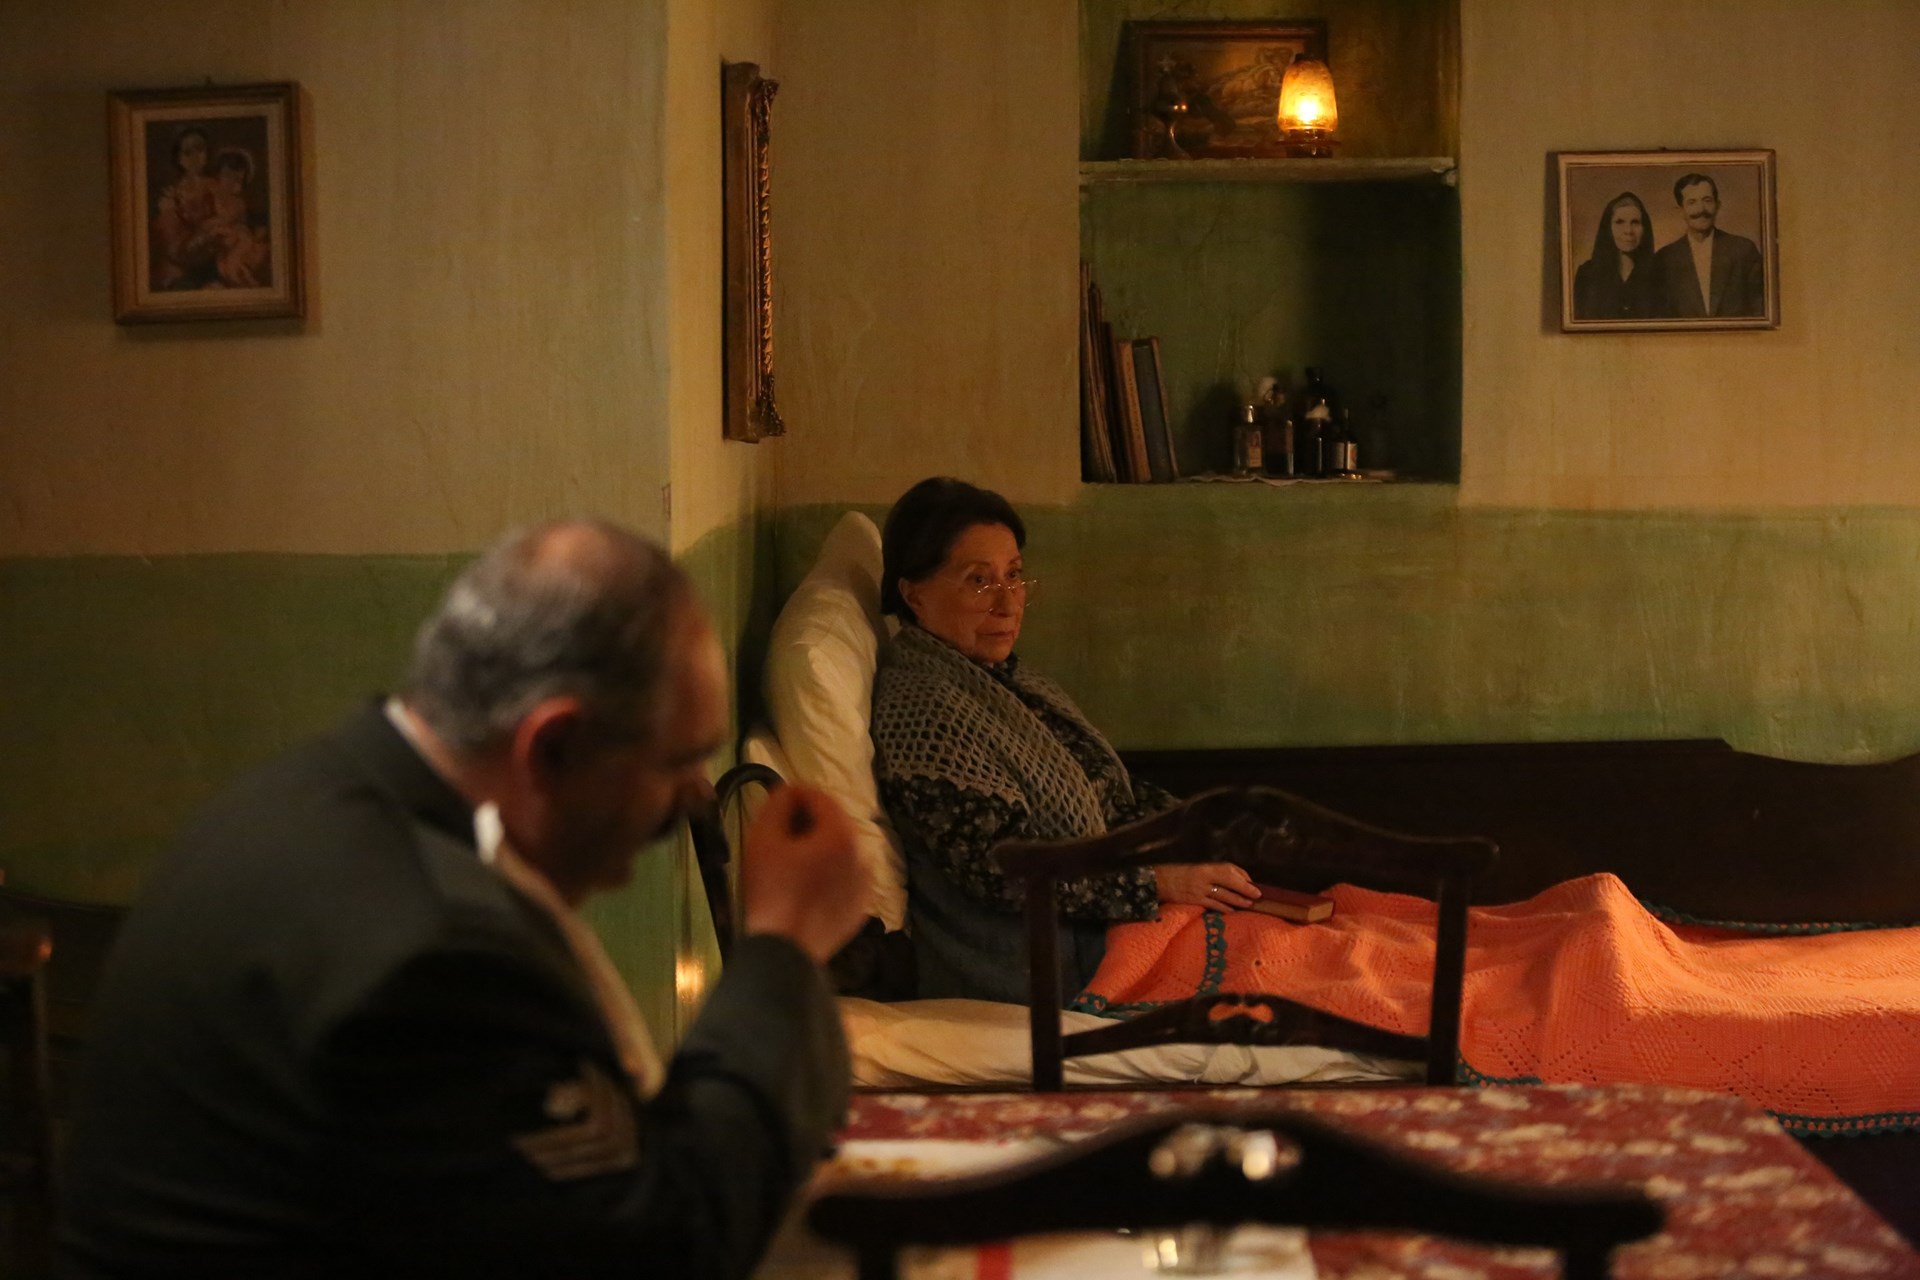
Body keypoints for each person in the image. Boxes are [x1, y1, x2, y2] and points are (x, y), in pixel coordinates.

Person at [58, 520, 868, 1279]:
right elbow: (661, 1248)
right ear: (553, 746)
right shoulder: (434, 956)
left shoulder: (301, 797)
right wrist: (785, 946)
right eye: (678, 762)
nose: (695, 796)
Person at [869, 477, 1259, 1005]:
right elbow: (1004, 870)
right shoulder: (923, 710)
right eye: (978, 581)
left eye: (1014, 575)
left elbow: (1108, 795)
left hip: (1107, 922)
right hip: (1039, 969)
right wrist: (1160, 882)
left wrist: (1201, 830)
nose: (1008, 603)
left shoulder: (1004, 679)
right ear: (913, 593)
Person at [1652, 171, 1765, 318]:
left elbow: (1761, 311)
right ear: (1680, 210)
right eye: (1692, 202)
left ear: (1718, 205)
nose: (1701, 209)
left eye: (1707, 200)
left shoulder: (1744, 250)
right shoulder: (1664, 259)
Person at [1571, 191, 1661, 320]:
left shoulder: (1661, 275)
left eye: (1635, 222)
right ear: (1608, 228)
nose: (1628, 231)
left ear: (1644, 228)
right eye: (1619, 222)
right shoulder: (1586, 274)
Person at [151, 126, 218, 290]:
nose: (195, 157)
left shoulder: (215, 186)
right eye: (188, 153)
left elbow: (223, 216)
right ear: (179, 159)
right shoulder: (174, 192)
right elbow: (170, 232)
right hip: (183, 249)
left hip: (211, 246)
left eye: (199, 150)